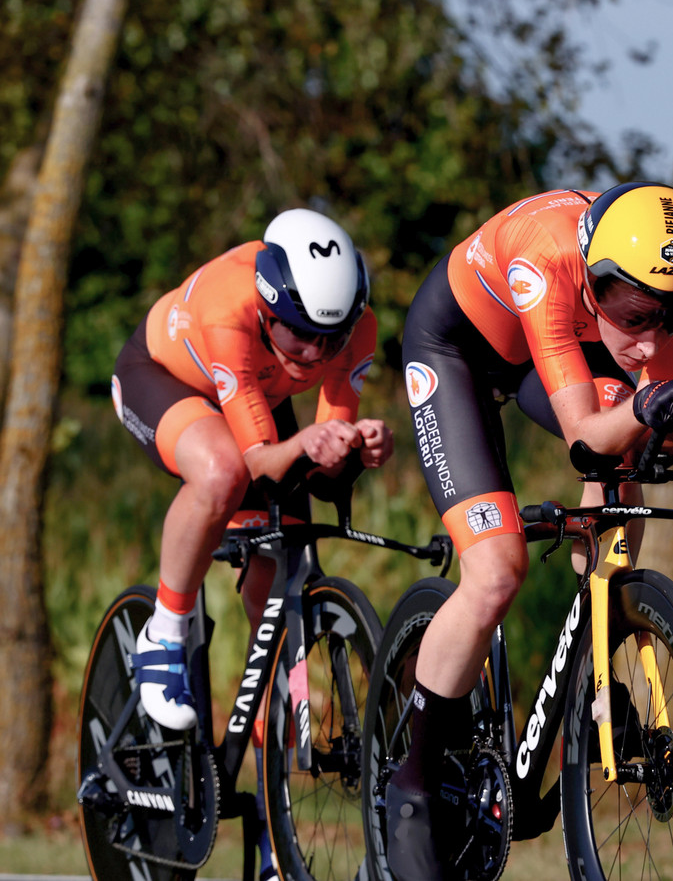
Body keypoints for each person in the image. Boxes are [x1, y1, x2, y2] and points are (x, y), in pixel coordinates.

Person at [391, 182, 673, 881]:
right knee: (496, 572)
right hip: (460, 348)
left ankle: (596, 657)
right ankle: (413, 787)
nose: (650, 342)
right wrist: (650, 406)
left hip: (551, 355)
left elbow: (647, 434)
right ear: (595, 279)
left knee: (625, 475)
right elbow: (585, 439)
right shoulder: (547, 262)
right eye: (637, 316)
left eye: (672, 319)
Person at [111, 207, 391, 879]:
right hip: (170, 377)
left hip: (258, 404)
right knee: (220, 471)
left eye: (333, 337)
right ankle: (165, 630)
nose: (315, 353)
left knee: (281, 584)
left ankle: (272, 830)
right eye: (297, 333)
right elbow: (260, 457)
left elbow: (321, 465)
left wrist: (353, 449)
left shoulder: (351, 333)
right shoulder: (228, 312)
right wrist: (306, 446)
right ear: (269, 308)